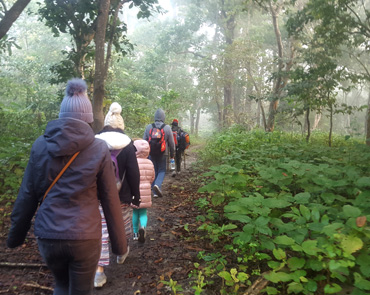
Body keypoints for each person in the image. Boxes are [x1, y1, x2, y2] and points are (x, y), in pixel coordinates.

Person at [6, 78, 128, 295]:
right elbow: (110, 200)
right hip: (86, 237)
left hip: (48, 235)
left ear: (61, 115)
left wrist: (15, 236)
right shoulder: (99, 149)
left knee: (61, 286)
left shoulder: (40, 145)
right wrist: (120, 245)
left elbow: (27, 194)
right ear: (89, 118)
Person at [94, 102, 141, 287]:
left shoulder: (95, 142)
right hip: (122, 195)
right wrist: (136, 196)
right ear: (121, 125)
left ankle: (99, 272)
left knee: (102, 230)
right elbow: (133, 172)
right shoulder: (128, 145)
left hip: (99, 195)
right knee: (123, 224)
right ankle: (121, 252)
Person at [143, 108, 175, 198]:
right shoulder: (167, 128)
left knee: (154, 171)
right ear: (163, 117)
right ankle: (157, 185)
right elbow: (172, 144)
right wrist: (172, 155)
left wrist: (144, 155)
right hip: (163, 153)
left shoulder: (149, 127)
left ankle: (155, 192)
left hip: (151, 153)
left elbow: (143, 141)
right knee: (162, 170)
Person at [132, 139, 155, 243]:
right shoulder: (150, 162)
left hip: (135, 190)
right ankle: (143, 227)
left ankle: (135, 233)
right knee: (143, 212)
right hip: (146, 190)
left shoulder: (133, 162)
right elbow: (152, 177)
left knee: (135, 212)